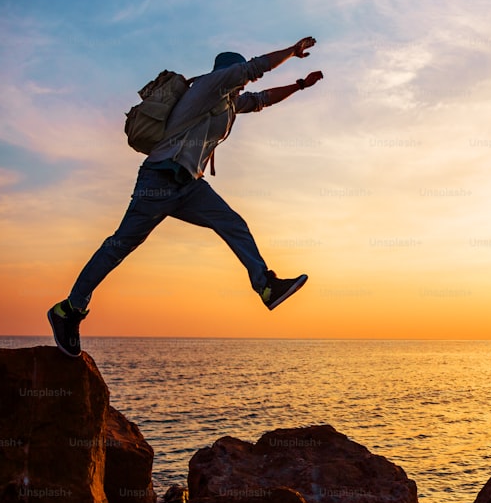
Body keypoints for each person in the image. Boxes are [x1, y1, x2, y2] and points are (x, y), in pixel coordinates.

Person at [47, 36, 324, 357]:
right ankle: (69, 310)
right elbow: (256, 69)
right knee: (120, 246)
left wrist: (301, 85)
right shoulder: (209, 87)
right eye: (237, 75)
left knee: (233, 224)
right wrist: (292, 51)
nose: (240, 83)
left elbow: (262, 99)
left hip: (190, 186)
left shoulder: (229, 103)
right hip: (160, 177)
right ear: (228, 73)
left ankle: (265, 286)